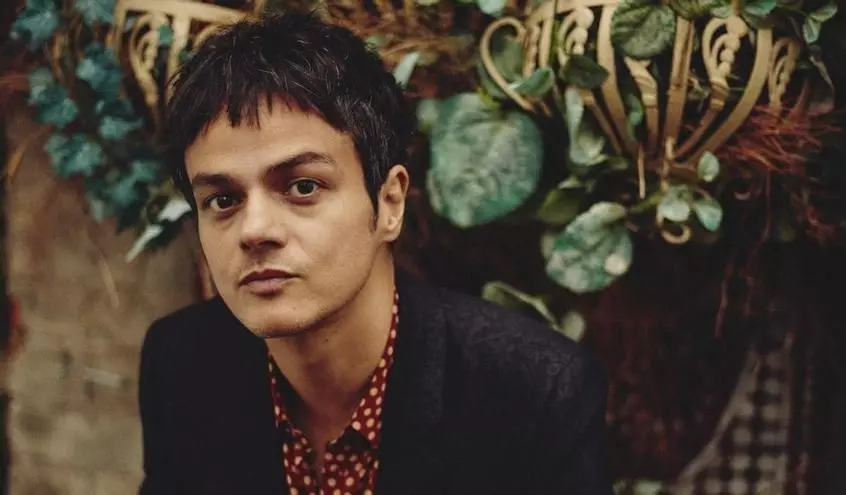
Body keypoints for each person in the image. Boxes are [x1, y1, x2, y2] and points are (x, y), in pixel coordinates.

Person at [138, 10, 611, 495]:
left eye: (303, 186)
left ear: (389, 204)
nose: (254, 230)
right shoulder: (182, 365)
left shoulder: (534, 394)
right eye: (223, 200)